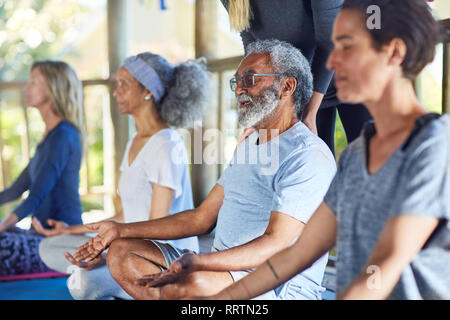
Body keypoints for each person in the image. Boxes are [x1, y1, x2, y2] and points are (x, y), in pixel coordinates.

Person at [206, 0, 450, 300]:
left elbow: (386, 264)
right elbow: (297, 254)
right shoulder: (355, 156)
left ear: (394, 52)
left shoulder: (436, 147)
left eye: (346, 47)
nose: (331, 64)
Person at [71, 39, 337, 300]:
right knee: (121, 253)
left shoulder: (307, 154)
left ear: (287, 86)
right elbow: (201, 218)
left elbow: (275, 243)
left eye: (250, 78)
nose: (239, 90)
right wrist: (120, 230)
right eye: (237, 82)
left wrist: (201, 262)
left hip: (277, 283)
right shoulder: (249, 145)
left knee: (191, 284)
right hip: (224, 269)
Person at [34, 52, 209, 300]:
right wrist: (69, 230)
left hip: (161, 255)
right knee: (49, 246)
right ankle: (117, 281)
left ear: (147, 91)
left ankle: (121, 279)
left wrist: (106, 255)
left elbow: (156, 225)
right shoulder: (134, 142)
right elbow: (127, 214)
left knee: (81, 283)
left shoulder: (166, 144)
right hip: (127, 245)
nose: (116, 92)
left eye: (124, 85)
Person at [220, 0, 372, 155]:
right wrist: (257, 119)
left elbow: (331, 40)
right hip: (303, 87)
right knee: (312, 166)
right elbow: (254, 50)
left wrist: (309, 114)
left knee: (370, 163)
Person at [0, 60, 85, 276]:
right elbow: (15, 190)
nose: (26, 88)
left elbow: (35, 196)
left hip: (61, 240)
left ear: (53, 88)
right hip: (40, 235)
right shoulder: (49, 137)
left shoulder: (63, 135)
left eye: (34, 82)